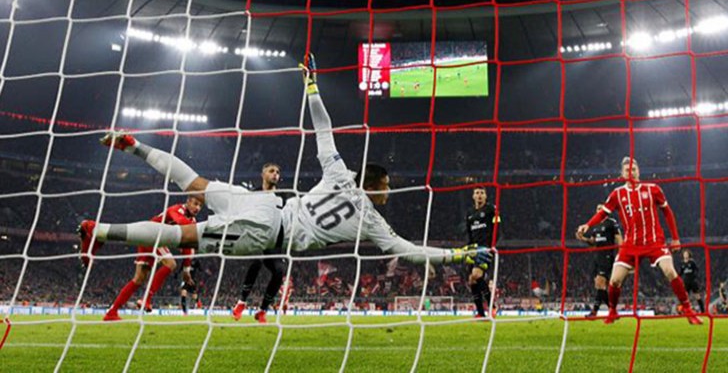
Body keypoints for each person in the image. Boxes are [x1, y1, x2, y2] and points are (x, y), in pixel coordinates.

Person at [79, 55, 490, 284]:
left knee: (195, 182)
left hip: (266, 202)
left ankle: (135, 146)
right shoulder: (373, 223)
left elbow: (322, 127)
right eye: (387, 188)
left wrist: (312, 84)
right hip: (265, 231)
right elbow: (412, 253)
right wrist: (459, 253)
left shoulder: (338, 172)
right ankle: (97, 230)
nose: (387, 194)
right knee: (179, 236)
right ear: (379, 185)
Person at [576, 156, 702, 325]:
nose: (631, 173)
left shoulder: (653, 189)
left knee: (670, 271)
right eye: (627, 170)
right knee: (614, 280)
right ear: (622, 174)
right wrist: (588, 224)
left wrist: (675, 238)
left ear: (638, 171)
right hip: (631, 244)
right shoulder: (617, 194)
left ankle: (688, 310)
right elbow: (603, 213)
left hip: (654, 241)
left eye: (634, 169)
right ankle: (612, 311)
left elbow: (667, 212)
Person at [102, 196, 202, 321]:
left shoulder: (191, 221)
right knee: (171, 264)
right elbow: (181, 223)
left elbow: (187, 247)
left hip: (149, 240)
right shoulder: (176, 210)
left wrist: (187, 270)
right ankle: (146, 299)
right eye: (195, 204)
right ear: (188, 202)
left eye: (200, 206)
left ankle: (112, 312)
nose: (197, 208)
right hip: (151, 236)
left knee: (138, 279)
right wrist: (198, 231)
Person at [231, 162, 287, 324]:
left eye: (277, 171)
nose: (275, 174)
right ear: (263, 175)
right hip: (255, 237)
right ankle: (241, 303)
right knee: (257, 261)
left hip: (273, 240)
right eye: (271, 171)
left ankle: (262, 311)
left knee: (279, 271)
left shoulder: (282, 196)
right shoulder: (253, 194)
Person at [576, 207, 622, 318]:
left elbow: (619, 238)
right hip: (597, 256)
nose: (598, 210)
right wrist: (583, 238)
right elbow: (593, 242)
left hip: (607, 255)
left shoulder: (611, 222)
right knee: (599, 285)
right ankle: (612, 310)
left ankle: (595, 312)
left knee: (601, 282)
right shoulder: (595, 225)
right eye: (597, 209)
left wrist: (621, 254)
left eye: (601, 209)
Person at [465, 186, 500, 318]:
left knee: (476, 275)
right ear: (473, 196)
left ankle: (493, 306)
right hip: (473, 249)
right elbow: (469, 232)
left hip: (485, 248)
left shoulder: (491, 209)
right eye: (477, 193)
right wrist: (468, 248)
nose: (479, 195)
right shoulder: (469, 213)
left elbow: (498, 228)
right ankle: (480, 313)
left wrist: (494, 246)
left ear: (485, 196)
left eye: (482, 193)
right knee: (472, 280)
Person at [680, 249, 704, 314]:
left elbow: (697, 269)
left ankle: (703, 311)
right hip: (686, 282)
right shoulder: (682, 263)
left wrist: (694, 276)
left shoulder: (692, 262)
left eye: (686, 254)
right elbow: (681, 272)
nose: (685, 255)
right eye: (684, 254)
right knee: (685, 297)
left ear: (689, 255)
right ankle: (684, 311)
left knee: (697, 296)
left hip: (693, 282)